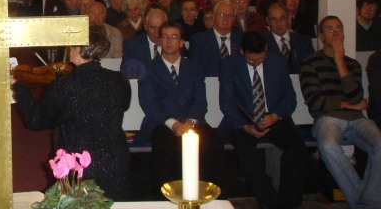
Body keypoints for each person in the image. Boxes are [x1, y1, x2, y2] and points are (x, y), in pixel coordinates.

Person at [14, 25, 132, 200]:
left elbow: (36, 119)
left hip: (80, 168)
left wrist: (19, 87)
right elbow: (124, 105)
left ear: (78, 50)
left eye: (71, 46)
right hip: (116, 162)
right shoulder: (118, 79)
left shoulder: (64, 86)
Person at [300, 16, 381, 209]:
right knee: (328, 146)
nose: (335, 33)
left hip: (357, 119)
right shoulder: (310, 63)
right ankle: (365, 204)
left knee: (379, 144)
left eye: (339, 29)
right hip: (327, 118)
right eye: (329, 29)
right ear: (321, 36)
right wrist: (350, 106)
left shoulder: (352, 64)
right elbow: (315, 101)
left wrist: (339, 62)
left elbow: (356, 95)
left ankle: (368, 201)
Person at [220, 32, 306, 209]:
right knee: (246, 154)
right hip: (243, 119)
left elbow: (290, 98)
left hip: (274, 117)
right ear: (242, 52)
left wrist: (275, 116)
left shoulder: (278, 62)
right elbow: (227, 103)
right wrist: (245, 126)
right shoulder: (230, 64)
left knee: (297, 148)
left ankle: (288, 203)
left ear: (266, 49)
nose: (256, 63)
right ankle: (270, 203)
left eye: (260, 59)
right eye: (251, 61)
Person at [138, 21, 225, 197]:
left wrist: (191, 123)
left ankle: (214, 197)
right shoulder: (148, 68)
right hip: (161, 123)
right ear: (160, 41)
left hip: (192, 122)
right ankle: (161, 199)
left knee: (214, 144)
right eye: (165, 37)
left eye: (174, 37)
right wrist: (174, 124)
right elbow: (150, 105)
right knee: (164, 146)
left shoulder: (194, 67)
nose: (169, 41)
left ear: (181, 42)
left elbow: (201, 102)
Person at [188, 0, 243, 76]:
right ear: (213, 17)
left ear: (234, 19)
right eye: (222, 14)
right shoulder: (199, 40)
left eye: (230, 15)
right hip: (209, 84)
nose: (226, 18)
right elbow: (194, 70)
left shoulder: (242, 39)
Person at [265, 3, 314, 74]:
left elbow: (312, 67)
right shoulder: (262, 43)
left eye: (282, 18)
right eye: (274, 19)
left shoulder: (304, 42)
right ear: (267, 21)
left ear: (288, 18)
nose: (279, 23)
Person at [121, 6, 167, 78]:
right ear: (145, 26)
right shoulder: (132, 45)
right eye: (152, 27)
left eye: (160, 28)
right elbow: (126, 73)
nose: (156, 32)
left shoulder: (176, 45)